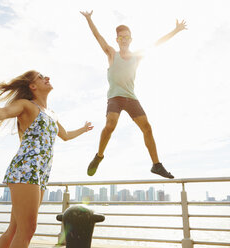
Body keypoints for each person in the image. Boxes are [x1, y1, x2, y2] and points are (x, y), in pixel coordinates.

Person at [0, 70, 93, 248]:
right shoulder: (26, 105)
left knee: (14, 230)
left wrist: (83, 129)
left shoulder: (51, 113)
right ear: (32, 86)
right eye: (41, 77)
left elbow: (65, 135)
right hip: (26, 168)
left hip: (41, 173)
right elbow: (3, 112)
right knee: (27, 230)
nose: (47, 78)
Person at [80, 10, 187, 179]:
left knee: (147, 127)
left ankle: (156, 165)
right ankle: (99, 156)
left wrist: (176, 30)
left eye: (127, 37)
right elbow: (97, 35)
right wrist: (89, 19)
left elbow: (157, 43)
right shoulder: (111, 53)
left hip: (131, 97)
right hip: (115, 97)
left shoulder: (137, 56)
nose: (124, 40)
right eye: (121, 37)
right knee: (110, 124)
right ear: (117, 40)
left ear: (131, 39)